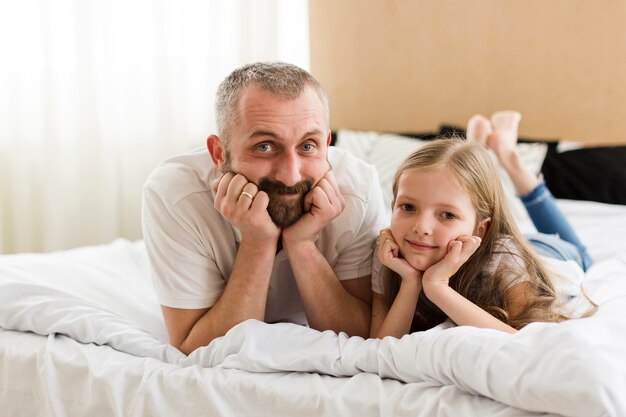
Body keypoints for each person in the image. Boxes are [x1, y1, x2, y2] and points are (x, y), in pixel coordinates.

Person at [142, 62, 387, 354]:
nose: (291, 175)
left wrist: (302, 244)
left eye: (308, 145)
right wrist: (258, 243)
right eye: (265, 147)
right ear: (219, 154)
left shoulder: (356, 190)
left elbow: (360, 338)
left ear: (327, 143)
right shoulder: (175, 195)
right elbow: (194, 349)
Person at [369, 113, 594, 338]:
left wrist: (436, 286)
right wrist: (410, 282)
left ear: (480, 229)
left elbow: (524, 342)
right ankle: (476, 149)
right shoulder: (388, 253)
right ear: (393, 205)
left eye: (447, 215)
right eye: (408, 207)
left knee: (584, 255)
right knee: (467, 183)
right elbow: (381, 346)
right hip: (487, 238)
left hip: (545, 251)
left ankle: (508, 156)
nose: (421, 228)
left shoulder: (507, 262)